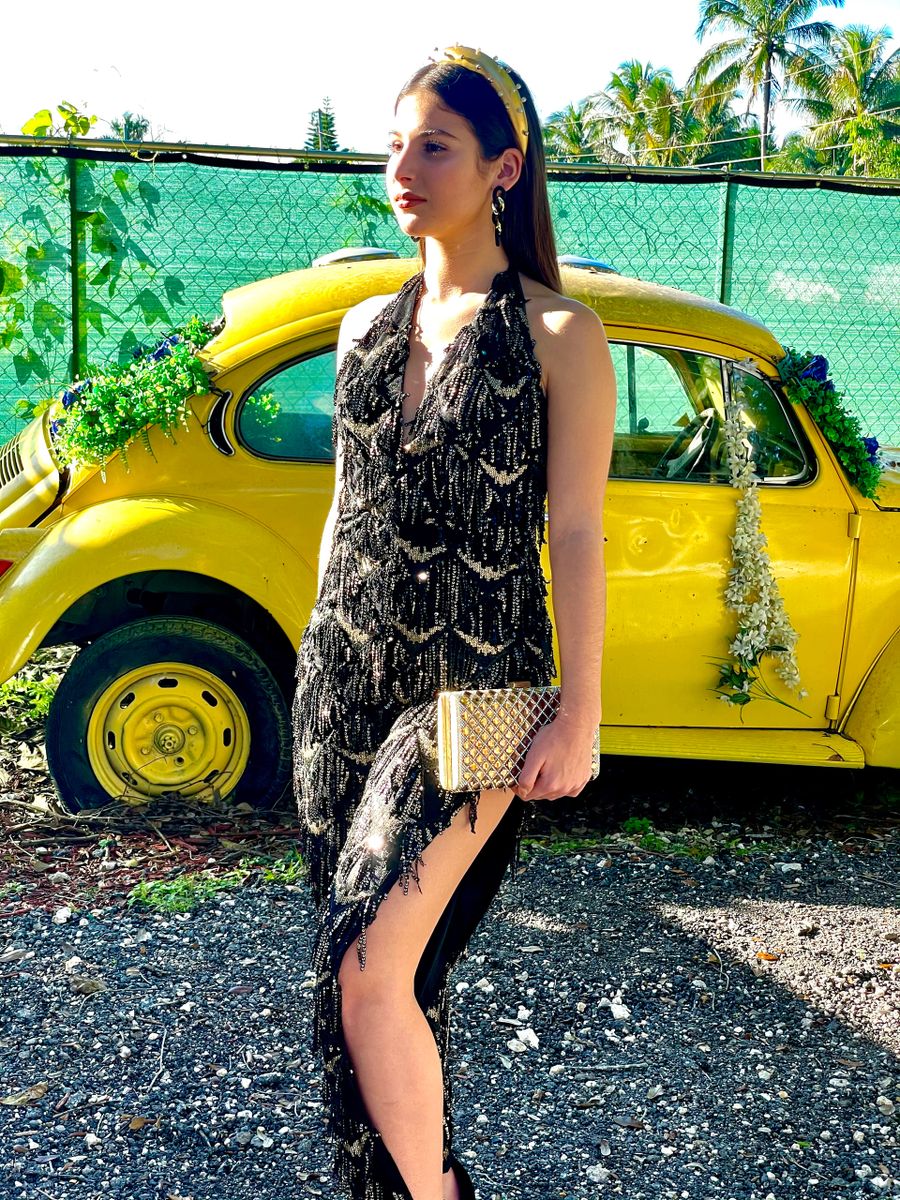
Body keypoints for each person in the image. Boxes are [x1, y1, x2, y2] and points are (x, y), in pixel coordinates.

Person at [292, 43, 616, 1200]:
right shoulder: (360, 330)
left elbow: (575, 531)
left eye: (434, 146)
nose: (403, 169)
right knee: (372, 986)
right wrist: (310, 662)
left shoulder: (562, 337)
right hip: (343, 680)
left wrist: (580, 712)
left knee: (364, 963)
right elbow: (345, 509)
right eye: (395, 145)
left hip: (480, 692)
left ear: (504, 169)